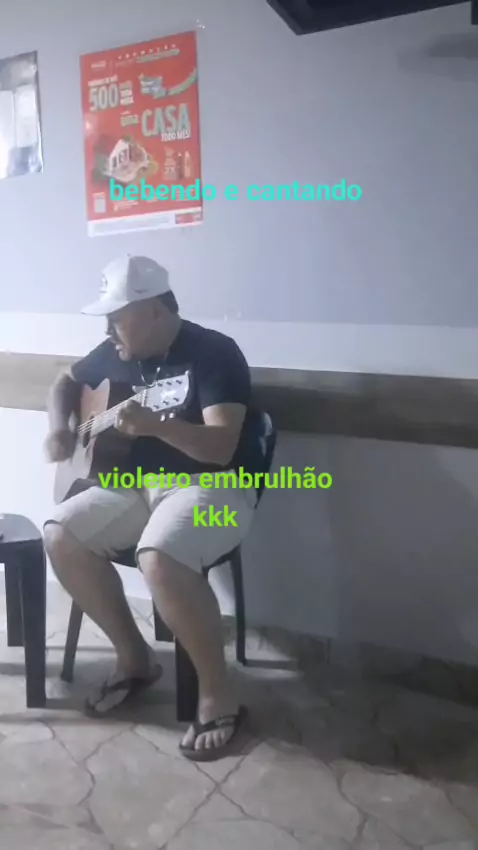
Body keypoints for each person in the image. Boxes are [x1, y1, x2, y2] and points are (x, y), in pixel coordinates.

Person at [43, 254, 266, 761]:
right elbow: (63, 381)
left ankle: (218, 695)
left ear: (154, 311)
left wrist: (158, 426)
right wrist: (60, 429)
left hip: (217, 488)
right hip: (134, 485)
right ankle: (135, 659)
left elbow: (221, 448)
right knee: (60, 534)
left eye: (116, 317)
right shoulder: (114, 351)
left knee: (159, 556)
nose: (108, 330)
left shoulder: (214, 352)